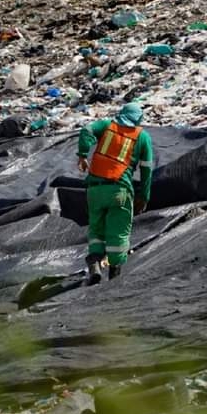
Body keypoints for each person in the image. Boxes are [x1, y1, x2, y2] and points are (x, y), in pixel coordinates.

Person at [77, 103, 154, 285]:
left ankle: (95, 262)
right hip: (119, 190)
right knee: (118, 233)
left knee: (96, 229)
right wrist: (144, 196)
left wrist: (82, 154)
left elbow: (86, 130)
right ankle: (114, 278)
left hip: (94, 190)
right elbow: (146, 170)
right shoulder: (142, 137)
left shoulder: (106, 126)